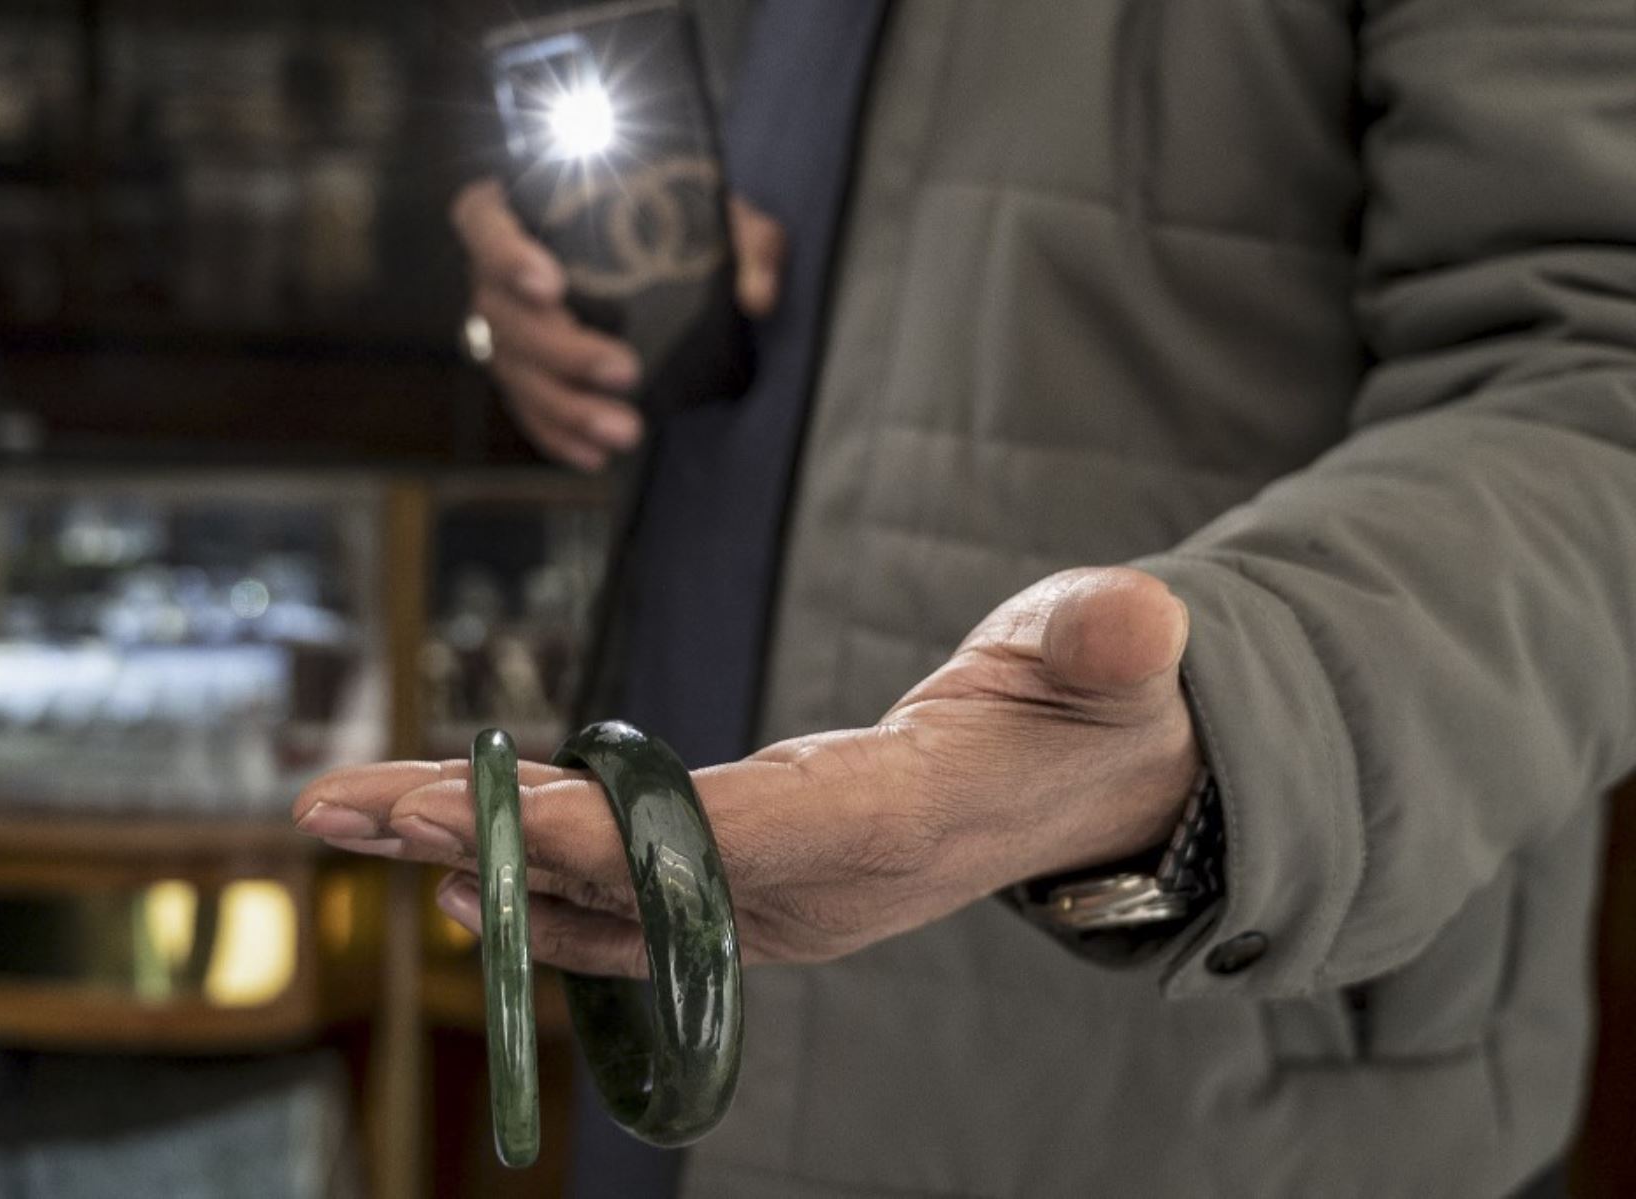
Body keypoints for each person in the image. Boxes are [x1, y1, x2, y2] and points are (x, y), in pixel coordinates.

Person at [296, 2, 1636, 1195]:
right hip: (669, 998)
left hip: (1209, 1077)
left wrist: (1225, 724)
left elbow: (1600, 387)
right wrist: (547, 273)